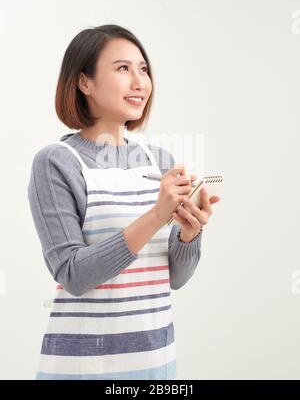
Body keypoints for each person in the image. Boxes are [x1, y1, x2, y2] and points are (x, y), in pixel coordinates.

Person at [28, 24, 220, 380]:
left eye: (143, 69)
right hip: (83, 368)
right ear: (84, 82)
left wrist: (189, 236)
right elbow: (73, 274)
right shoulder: (57, 161)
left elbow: (174, 279)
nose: (139, 82)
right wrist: (157, 214)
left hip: (154, 364)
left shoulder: (159, 160)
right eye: (122, 68)